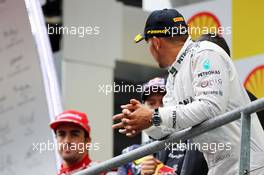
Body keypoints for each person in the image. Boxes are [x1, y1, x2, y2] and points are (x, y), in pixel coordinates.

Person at [112, 9, 264, 175]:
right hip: (220, 168)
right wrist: (143, 121)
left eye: (147, 43)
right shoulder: (173, 77)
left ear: (156, 42)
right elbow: (166, 130)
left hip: (251, 164)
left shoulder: (205, 52)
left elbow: (210, 106)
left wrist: (152, 116)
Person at [50, 110, 107, 175]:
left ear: (87, 141)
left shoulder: (104, 172)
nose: (67, 141)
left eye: (74, 134)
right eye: (62, 134)